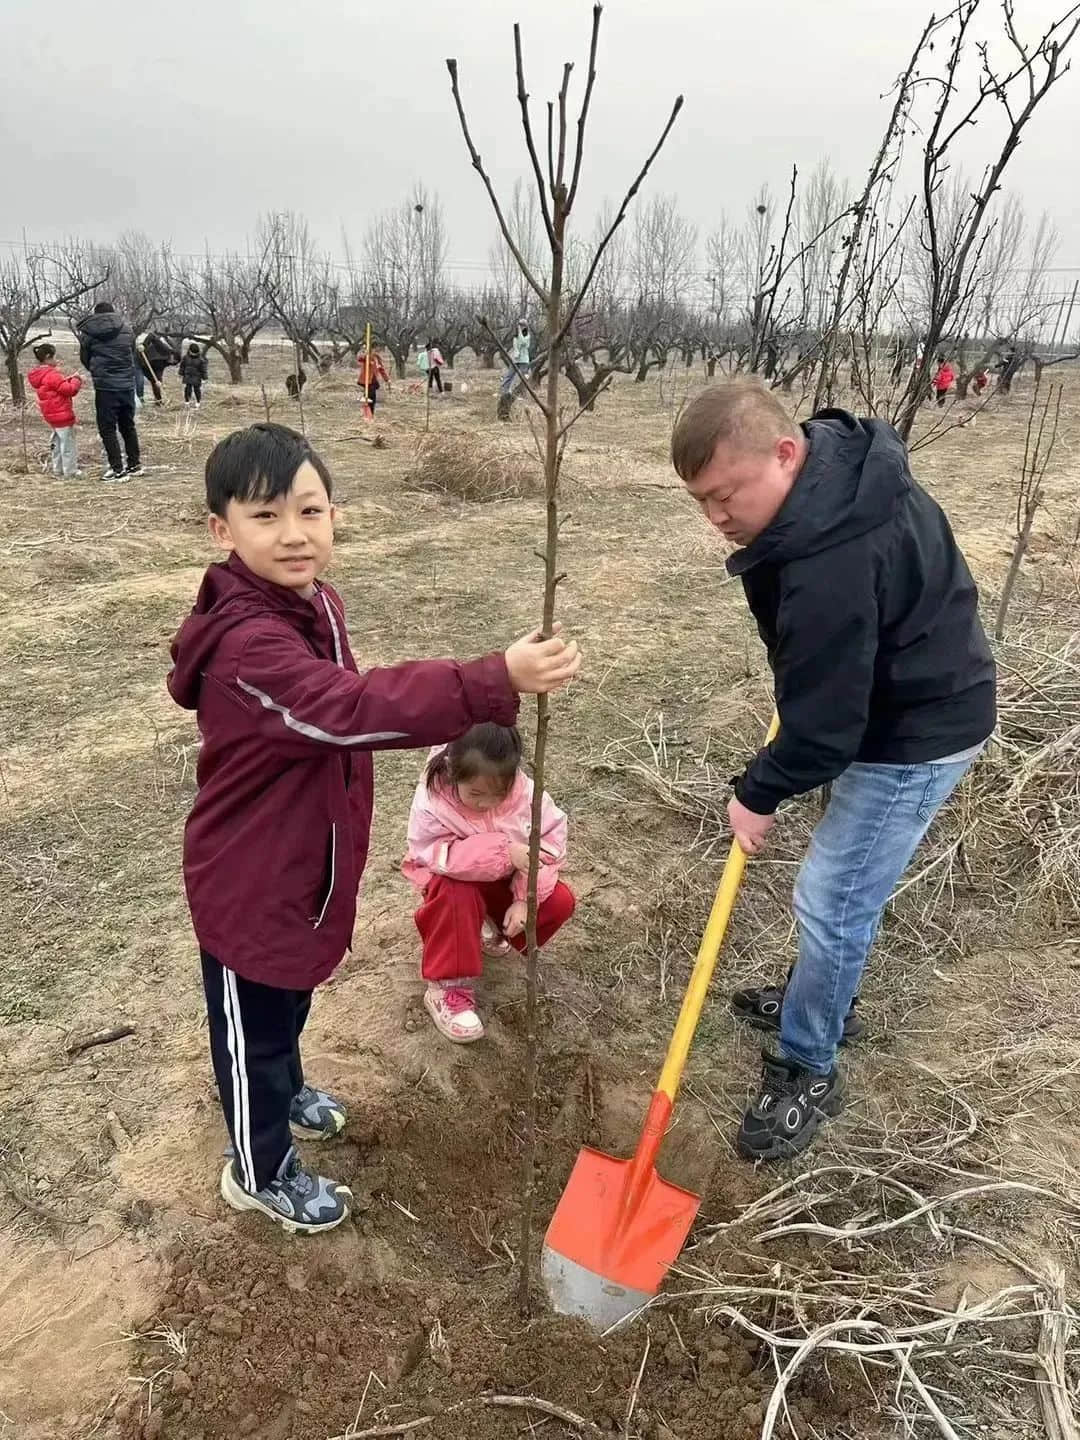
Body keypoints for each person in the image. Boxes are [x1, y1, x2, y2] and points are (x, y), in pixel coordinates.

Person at [167, 423, 582, 1233]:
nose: (294, 534)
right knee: (251, 1029)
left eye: (311, 510)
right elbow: (348, 709)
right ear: (222, 531)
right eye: (265, 516)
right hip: (249, 881)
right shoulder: (247, 645)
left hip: (303, 869)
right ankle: (259, 1170)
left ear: (335, 515)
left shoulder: (314, 600)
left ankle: (285, 1093)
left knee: (289, 1000)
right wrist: (491, 679)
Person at [670, 381, 995, 1163]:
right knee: (837, 892)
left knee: (833, 899)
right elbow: (832, 680)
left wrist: (758, 792)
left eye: (725, 495)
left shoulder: (832, 560)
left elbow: (826, 732)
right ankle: (821, 999)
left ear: (786, 453)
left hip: (917, 730)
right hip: (898, 693)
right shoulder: (839, 475)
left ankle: (809, 1062)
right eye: (701, 501)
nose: (715, 518)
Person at [403, 724, 575, 1043]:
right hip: (452, 879)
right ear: (454, 773)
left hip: (504, 879)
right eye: (476, 794)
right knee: (455, 893)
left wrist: (524, 898)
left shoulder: (526, 794)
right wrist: (504, 851)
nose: (486, 804)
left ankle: (492, 928)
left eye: (498, 793)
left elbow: (550, 847)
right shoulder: (434, 799)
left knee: (559, 901)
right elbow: (434, 855)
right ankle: (447, 989)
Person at [77, 301, 142, 480]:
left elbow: (85, 358)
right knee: (128, 425)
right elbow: (132, 353)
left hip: (105, 387)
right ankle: (135, 464)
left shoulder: (89, 333)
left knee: (107, 428)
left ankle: (117, 469)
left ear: (96, 315)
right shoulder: (128, 330)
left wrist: (97, 371)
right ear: (113, 313)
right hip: (127, 385)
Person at [28, 343, 82, 478]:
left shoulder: (40, 374)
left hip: (51, 414)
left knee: (57, 443)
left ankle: (58, 469)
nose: (56, 359)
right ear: (48, 357)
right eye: (54, 356)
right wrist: (77, 380)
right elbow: (70, 390)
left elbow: (57, 387)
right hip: (61, 414)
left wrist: (68, 379)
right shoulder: (52, 374)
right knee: (67, 444)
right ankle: (70, 472)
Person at [137, 332, 179, 405]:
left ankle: (158, 401)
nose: (171, 362)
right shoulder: (164, 349)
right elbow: (151, 335)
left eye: (173, 363)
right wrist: (144, 345)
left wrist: (158, 380)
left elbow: (159, 370)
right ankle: (139, 401)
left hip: (146, 366)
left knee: (156, 382)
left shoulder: (166, 362)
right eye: (173, 360)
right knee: (139, 382)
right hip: (139, 357)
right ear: (172, 354)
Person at [500, 320, 532, 397]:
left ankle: (519, 393)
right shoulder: (515, 336)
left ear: (526, 326)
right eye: (520, 325)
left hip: (524, 360)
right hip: (516, 359)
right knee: (509, 375)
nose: (521, 327)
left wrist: (520, 333)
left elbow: (524, 343)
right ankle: (504, 391)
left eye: (523, 325)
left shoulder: (527, 336)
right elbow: (515, 346)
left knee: (521, 377)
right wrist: (515, 354)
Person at [357, 347, 390, 413]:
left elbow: (381, 369)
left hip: (373, 380)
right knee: (370, 395)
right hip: (366, 380)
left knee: (373, 397)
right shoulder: (367, 357)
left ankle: (371, 412)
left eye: (376, 349)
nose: (376, 351)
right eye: (374, 349)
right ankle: (366, 408)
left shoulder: (377, 358)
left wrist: (387, 379)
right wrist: (364, 353)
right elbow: (360, 359)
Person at [180, 343, 209, 407]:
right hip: (187, 376)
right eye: (192, 352)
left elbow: (204, 370)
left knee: (197, 390)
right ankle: (187, 401)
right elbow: (182, 366)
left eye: (195, 353)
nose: (193, 354)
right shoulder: (185, 357)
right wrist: (181, 373)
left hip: (196, 377)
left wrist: (205, 378)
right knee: (187, 389)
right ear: (189, 351)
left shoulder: (201, 359)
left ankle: (198, 402)